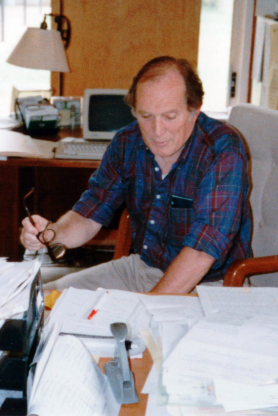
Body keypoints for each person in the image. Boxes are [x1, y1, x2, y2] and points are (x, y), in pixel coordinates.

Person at [20, 56, 252, 293]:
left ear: (194, 110)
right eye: (146, 116)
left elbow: (203, 252)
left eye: (170, 117)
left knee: (135, 326)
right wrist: (51, 232)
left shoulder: (222, 149)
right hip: (143, 268)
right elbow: (90, 213)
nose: (157, 131)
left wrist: (147, 305)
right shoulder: (127, 142)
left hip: (209, 283)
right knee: (44, 299)